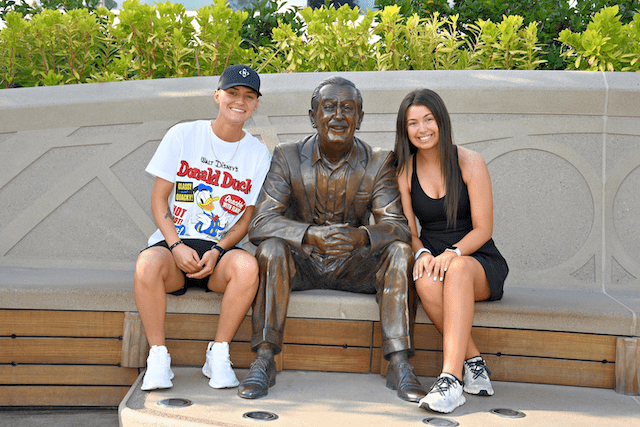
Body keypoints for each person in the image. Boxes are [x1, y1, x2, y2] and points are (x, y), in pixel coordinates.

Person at [237, 76, 427, 403]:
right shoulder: (287, 156)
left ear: (360, 118)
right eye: (329, 107)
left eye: (348, 108)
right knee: (270, 248)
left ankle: (399, 363)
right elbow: (261, 222)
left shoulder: (379, 161)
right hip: (303, 263)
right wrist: (309, 234)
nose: (338, 116)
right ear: (313, 116)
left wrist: (360, 237)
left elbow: (397, 226)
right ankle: (264, 358)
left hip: (354, 265)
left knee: (399, 251)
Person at [134, 64, 271, 392]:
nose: (240, 101)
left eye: (249, 96)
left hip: (218, 252)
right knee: (146, 264)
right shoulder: (184, 134)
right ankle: (158, 356)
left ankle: (218, 353)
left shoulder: (258, 153)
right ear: (217, 95)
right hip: (174, 247)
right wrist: (175, 245)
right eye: (233, 93)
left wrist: (219, 249)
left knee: (248, 266)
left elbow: (245, 218)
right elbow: (159, 200)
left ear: (255, 105)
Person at [394, 89, 509, 413]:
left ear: (441, 121)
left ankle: (450, 379)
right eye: (413, 123)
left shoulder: (471, 162)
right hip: (436, 262)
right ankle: (473, 363)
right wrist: (423, 255)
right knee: (425, 280)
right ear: (405, 130)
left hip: (478, 262)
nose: (422, 128)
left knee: (455, 270)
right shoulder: (405, 171)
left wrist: (453, 253)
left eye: (428, 119)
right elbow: (410, 232)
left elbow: (484, 228)